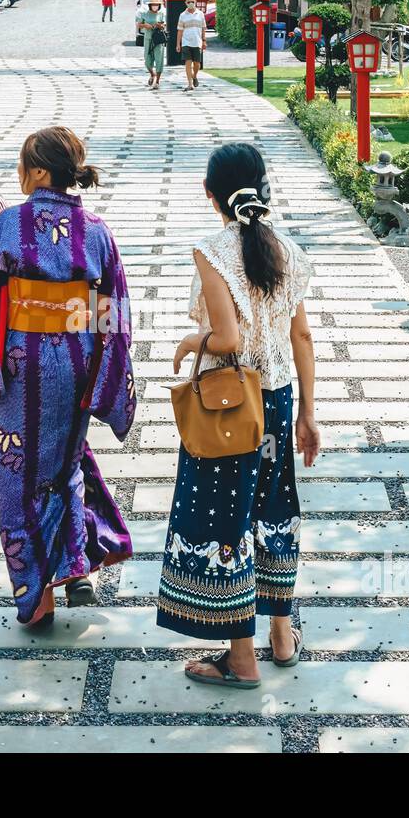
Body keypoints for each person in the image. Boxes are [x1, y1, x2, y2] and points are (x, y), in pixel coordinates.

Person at [157, 143, 319, 688]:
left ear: (211, 196)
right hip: (277, 402)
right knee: (273, 509)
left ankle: (242, 658)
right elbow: (300, 335)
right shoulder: (288, 249)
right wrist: (309, 416)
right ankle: (281, 635)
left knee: (228, 517)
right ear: (263, 186)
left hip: (232, 406)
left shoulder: (212, 250)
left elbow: (226, 339)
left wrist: (190, 340)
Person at [0, 126, 138, 628]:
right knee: (65, 463)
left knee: (19, 476)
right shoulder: (97, 230)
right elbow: (114, 310)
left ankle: (36, 598)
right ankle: (75, 569)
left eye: (23, 164)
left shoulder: (8, 226)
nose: (19, 174)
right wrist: (106, 368)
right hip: (75, 361)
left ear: (39, 172)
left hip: (22, 364)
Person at [176, 0, 207, 91]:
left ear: (195, 2)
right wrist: (178, 44)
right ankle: (190, 84)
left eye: (192, 1)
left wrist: (204, 40)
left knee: (197, 63)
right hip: (186, 42)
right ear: (185, 3)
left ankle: (194, 76)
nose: (190, 3)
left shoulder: (200, 14)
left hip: (197, 42)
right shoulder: (182, 15)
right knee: (188, 63)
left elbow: (203, 28)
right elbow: (180, 30)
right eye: (188, 2)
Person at [139, 0, 166, 89]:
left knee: (159, 60)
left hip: (158, 40)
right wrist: (145, 25)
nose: (155, 6)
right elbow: (139, 24)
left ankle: (157, 81)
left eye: (157, 4)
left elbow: (164, 25)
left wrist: (160, 25)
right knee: (147, 60)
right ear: (150, 5)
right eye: (153, 4)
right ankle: (152, 74)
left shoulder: (161, 14)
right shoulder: (144, 14)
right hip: (148, 38)